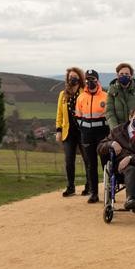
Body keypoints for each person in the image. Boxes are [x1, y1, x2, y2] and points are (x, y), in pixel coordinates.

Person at [96, 107, 135, 211]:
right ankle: (130, 199)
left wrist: (130, 158)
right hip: (121, 167)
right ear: (130, 117)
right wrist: (112, 143)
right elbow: (100, 147)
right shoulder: (117, 131)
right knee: (131, 169)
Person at [75, 70, 110, 204]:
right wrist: (84, 129)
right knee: (91, 165)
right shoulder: (81, 97)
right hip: (87, 135)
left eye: (93, 79)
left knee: (105, 163)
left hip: (102, 134)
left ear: (97, 81)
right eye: (88, 79)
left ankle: (109, 191)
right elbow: (77, 117)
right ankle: (94, 193)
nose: (90, 82)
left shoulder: (105, 97)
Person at [55, 66, 89, 197]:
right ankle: (70, 187)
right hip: (68, 132)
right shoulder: (63, 95)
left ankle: (89, 185)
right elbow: (59, 114)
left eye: (75, 77)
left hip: (83, 131)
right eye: (70, 77)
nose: (72, 79)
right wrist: (58, 130)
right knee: (69, 160)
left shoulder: (84, 93)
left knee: (87, 159)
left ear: (80, 79)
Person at [105, 62, 135, 130]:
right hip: (119, 129)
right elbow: (109, 112)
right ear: (117, 75)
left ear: (131, 76)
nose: (124, 76)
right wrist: (115, 129)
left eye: (127, 74)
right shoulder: (112, 91)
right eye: (121, 74)